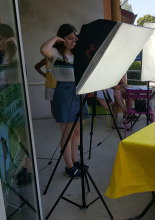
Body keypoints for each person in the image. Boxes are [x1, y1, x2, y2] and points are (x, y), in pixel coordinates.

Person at [40, 24, 89, 178]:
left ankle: (74, 161)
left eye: (75, 39)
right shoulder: (55, 53)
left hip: (79, 92)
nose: (73, 41)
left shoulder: (77, 55)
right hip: (64, 93)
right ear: (62, 38)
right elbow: (43, 49)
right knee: (67, 134)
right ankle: (69, 167)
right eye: (69, 38)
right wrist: (56, 39)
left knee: (76, 132)